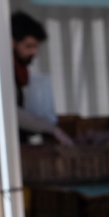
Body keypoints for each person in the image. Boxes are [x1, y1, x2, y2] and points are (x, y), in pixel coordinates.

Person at [11, 11, 73, 145]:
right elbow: (9, 111)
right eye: (29, 46)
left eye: (36, 47)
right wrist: (51, 129)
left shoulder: (17, 71)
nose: (34, 52)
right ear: (12, 42)